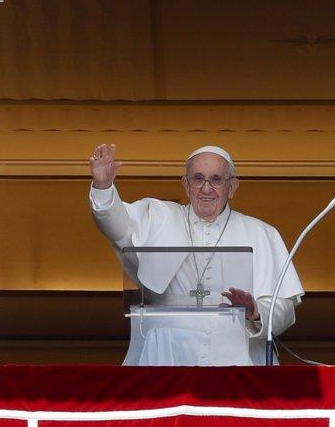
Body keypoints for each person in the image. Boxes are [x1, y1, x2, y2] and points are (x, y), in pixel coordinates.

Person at [89, 143, 303, 366]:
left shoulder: (260, 232)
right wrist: (103, 187)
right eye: (198, 179)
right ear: (186, 184)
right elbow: (118, 227)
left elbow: (283, 306)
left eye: (216, 180)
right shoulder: (159, 216)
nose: (206, 189)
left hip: (237, 355)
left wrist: (255, 312)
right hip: (167, 353)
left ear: (232, 187)